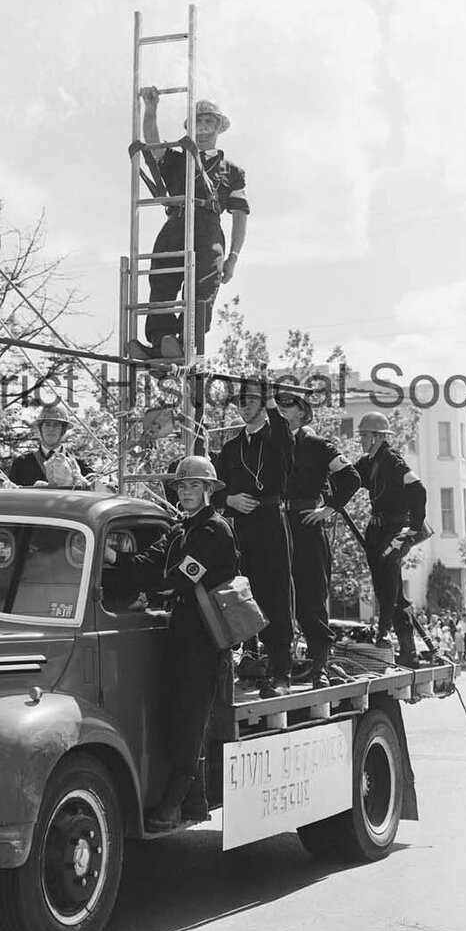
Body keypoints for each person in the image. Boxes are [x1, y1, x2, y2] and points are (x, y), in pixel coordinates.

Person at [103, 455, 239, 831]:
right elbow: (147, 562)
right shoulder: (180, 530)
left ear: (209, 490)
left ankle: (175, 803)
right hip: (180, 627)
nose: (186, 492)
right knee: (173, 714)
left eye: (194, 485)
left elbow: (180, 579)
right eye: (181, 486)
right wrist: (109, 556)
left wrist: (149, 585)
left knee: (191, 718)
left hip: (205, 635)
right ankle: (189, 799)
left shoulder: (215, 530)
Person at [129, 89, 249, 362]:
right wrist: (151, 108)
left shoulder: (231, 171)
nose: (203, 128)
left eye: (209, 122)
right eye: (198, 122)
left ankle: (188, 343)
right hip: (177, 222)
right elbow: (153, 142)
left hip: (208, 228)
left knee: (203, 288)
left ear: (218, 127)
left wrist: (233, 256)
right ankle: (161, 341)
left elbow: (240, 216)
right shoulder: (177, 157)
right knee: (162, 280)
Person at [213, 380, 296, 695]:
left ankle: (281, 672)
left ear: (264, 404)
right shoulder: (232, 447)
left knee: (276, 595)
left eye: (251, 401)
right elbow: (217, 488)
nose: (244, 407)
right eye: (240, 402)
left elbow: (285, 444)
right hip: (241, 528)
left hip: (271, 523)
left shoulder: (277, 436)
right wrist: (229, 501)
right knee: (243, 593)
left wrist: (272, 402)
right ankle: (250, 661)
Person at [278, 393, 360, 689]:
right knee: (277, 595)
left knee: (311, 596)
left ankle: (319, 667)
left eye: (287, 406)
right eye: (278, 407)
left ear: (302, 412)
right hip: (277, 525)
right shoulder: (273, 445)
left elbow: (351, 477)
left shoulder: (316, 445)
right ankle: (276, 666)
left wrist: (328, 509)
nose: (281, 411)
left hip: (306, 522)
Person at [354, 412, 428, 669]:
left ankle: (384, 632)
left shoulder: (393, 461)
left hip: (394, 530)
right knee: (390, 589)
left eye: (364, 435)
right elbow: (350, 479)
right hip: (376, 531)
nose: (361, 440)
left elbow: (418, 489)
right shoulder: (367, 462)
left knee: (388, 586)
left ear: (377, 437)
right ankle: (407, 651)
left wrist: (412, 530)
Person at [8, 402, 92, 489]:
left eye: (56, 425)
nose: (51, 429)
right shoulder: (22, 464)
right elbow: (10, 496)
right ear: (40, 429)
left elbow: (95, 489)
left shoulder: (79, 465)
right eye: (47, 425)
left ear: (63, 430)